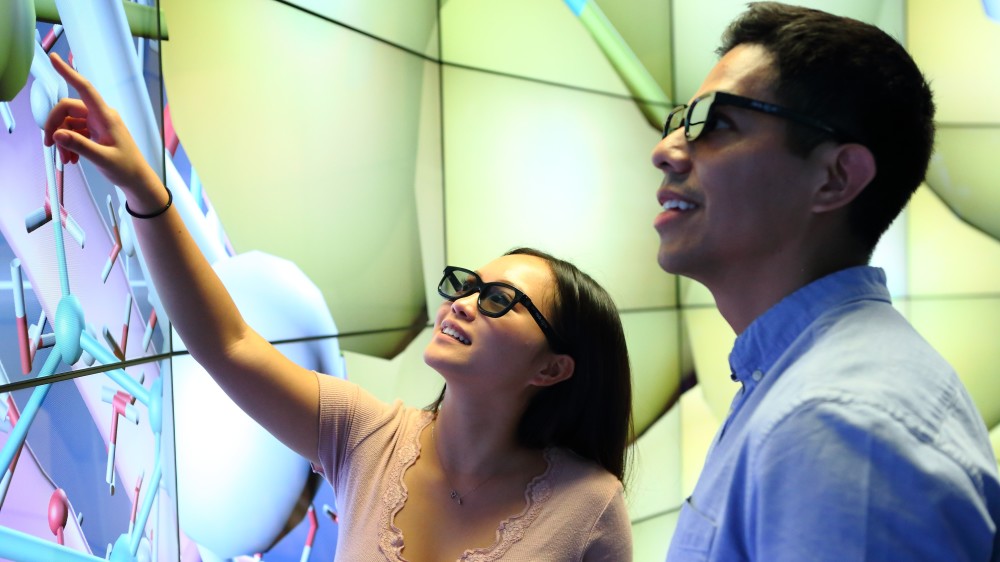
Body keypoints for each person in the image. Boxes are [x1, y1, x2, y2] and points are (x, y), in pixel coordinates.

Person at [43, 52, 633, 560]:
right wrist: (145, 191)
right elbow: (227, 342)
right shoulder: (366, 434)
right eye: (465, 285)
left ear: (552, 368)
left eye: (501, 300)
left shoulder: (589, 508)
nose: (465, 304)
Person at [652, 2, 1000, 561]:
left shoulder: (838, 424)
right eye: (679, 121)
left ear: (836, 177)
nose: (665, 151)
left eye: (714, 122)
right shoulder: (796, 380)